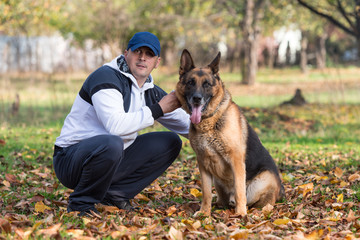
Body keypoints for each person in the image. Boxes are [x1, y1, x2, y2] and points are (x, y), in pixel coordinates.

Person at [53, 32, 190, 216]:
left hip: (110, 158)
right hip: (71, 159)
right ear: (126, 54)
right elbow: (115, 126)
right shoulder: (106, 77)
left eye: (149, 54)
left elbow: (188, 125)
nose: (142, 58)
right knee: (112, 142)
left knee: (170, 142)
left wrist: (225, 133)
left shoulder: (150, 90)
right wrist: (158, 109)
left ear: (157, 62)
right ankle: (81, 204)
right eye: (137, 51)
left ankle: (114, 194)